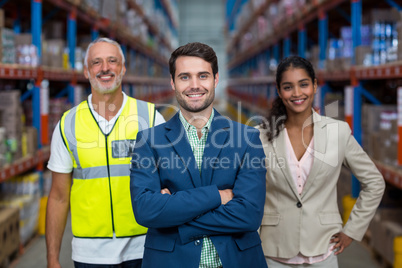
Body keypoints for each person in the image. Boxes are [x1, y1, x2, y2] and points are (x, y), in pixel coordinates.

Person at [130, 42, 267, 268]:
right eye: (185, 77)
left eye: (202, 76)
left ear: (216, 79)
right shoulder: (149, 141)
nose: (195, 85)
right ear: (172, 82)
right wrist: (218, 197)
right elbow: (146, 211)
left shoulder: (247, 138)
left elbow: (249, 215)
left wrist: (174, 213)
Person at [45, 37, 165, 268]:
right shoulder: (67, 124)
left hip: (145, 246)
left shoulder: (150, 117)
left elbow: (172, 183)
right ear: (87, 71)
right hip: (90, 253)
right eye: (96, 62)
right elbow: (59, 197)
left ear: (123, 68)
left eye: (112, 61)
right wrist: (52, 259)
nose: (105, 68)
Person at [258, 55, 385, 267]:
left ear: (315, 86)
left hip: (323, 250)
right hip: (273, 251)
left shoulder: (338, 132)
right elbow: (247, 190)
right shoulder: (260, 136)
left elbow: (374, 182)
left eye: (304, 84)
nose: (297, 93)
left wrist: (352, 230)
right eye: (288, 87)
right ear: (279, 91)